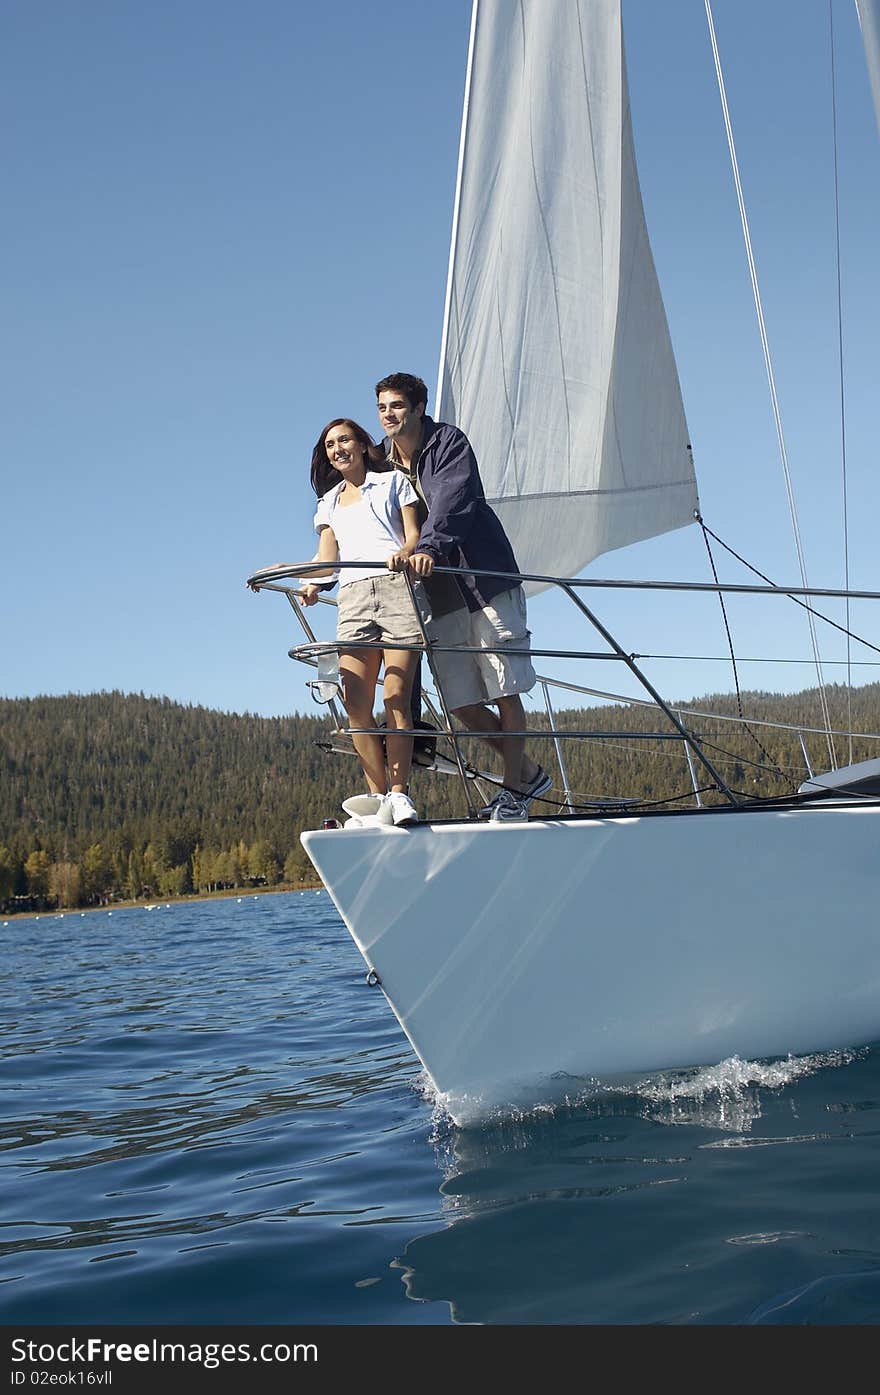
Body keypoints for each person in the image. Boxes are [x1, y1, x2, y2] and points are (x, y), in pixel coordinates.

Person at [375, 372, 551, 821]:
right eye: (382, 408)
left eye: (396, 405)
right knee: (462, 703)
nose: (388, 415)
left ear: (418, 408)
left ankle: (514, 791)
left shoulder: (448, 444)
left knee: (504, 687)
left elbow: (453, 500)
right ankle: (529, 773)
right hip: (437, 594)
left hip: (482, 579)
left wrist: (429, 547)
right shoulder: (382, 461)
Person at [254, 418, 424, 827]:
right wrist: (294, 573)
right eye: (330, 444)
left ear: (364, 445)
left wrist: (404, 552)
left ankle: (399, 796)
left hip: (397, 588)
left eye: (345, 439)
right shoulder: (328, 502)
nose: (337, 448)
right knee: (356, 705)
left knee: (397, 698)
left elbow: (415, 537)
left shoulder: (393, 483)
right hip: (353, 598)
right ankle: (376, 795)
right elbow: (327, 560)